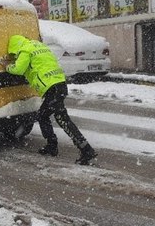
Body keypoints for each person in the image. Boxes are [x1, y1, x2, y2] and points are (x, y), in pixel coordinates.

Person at [6, 34, 97, 165]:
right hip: (59, 84)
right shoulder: (40, 46)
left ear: (14, 47)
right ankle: (52, 145)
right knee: (43, 116)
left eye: (14, 53)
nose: (15, 55)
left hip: (51, 88)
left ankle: (86, 149)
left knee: (62, 119)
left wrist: (8, 67)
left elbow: (18, 69)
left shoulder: (25, 50)